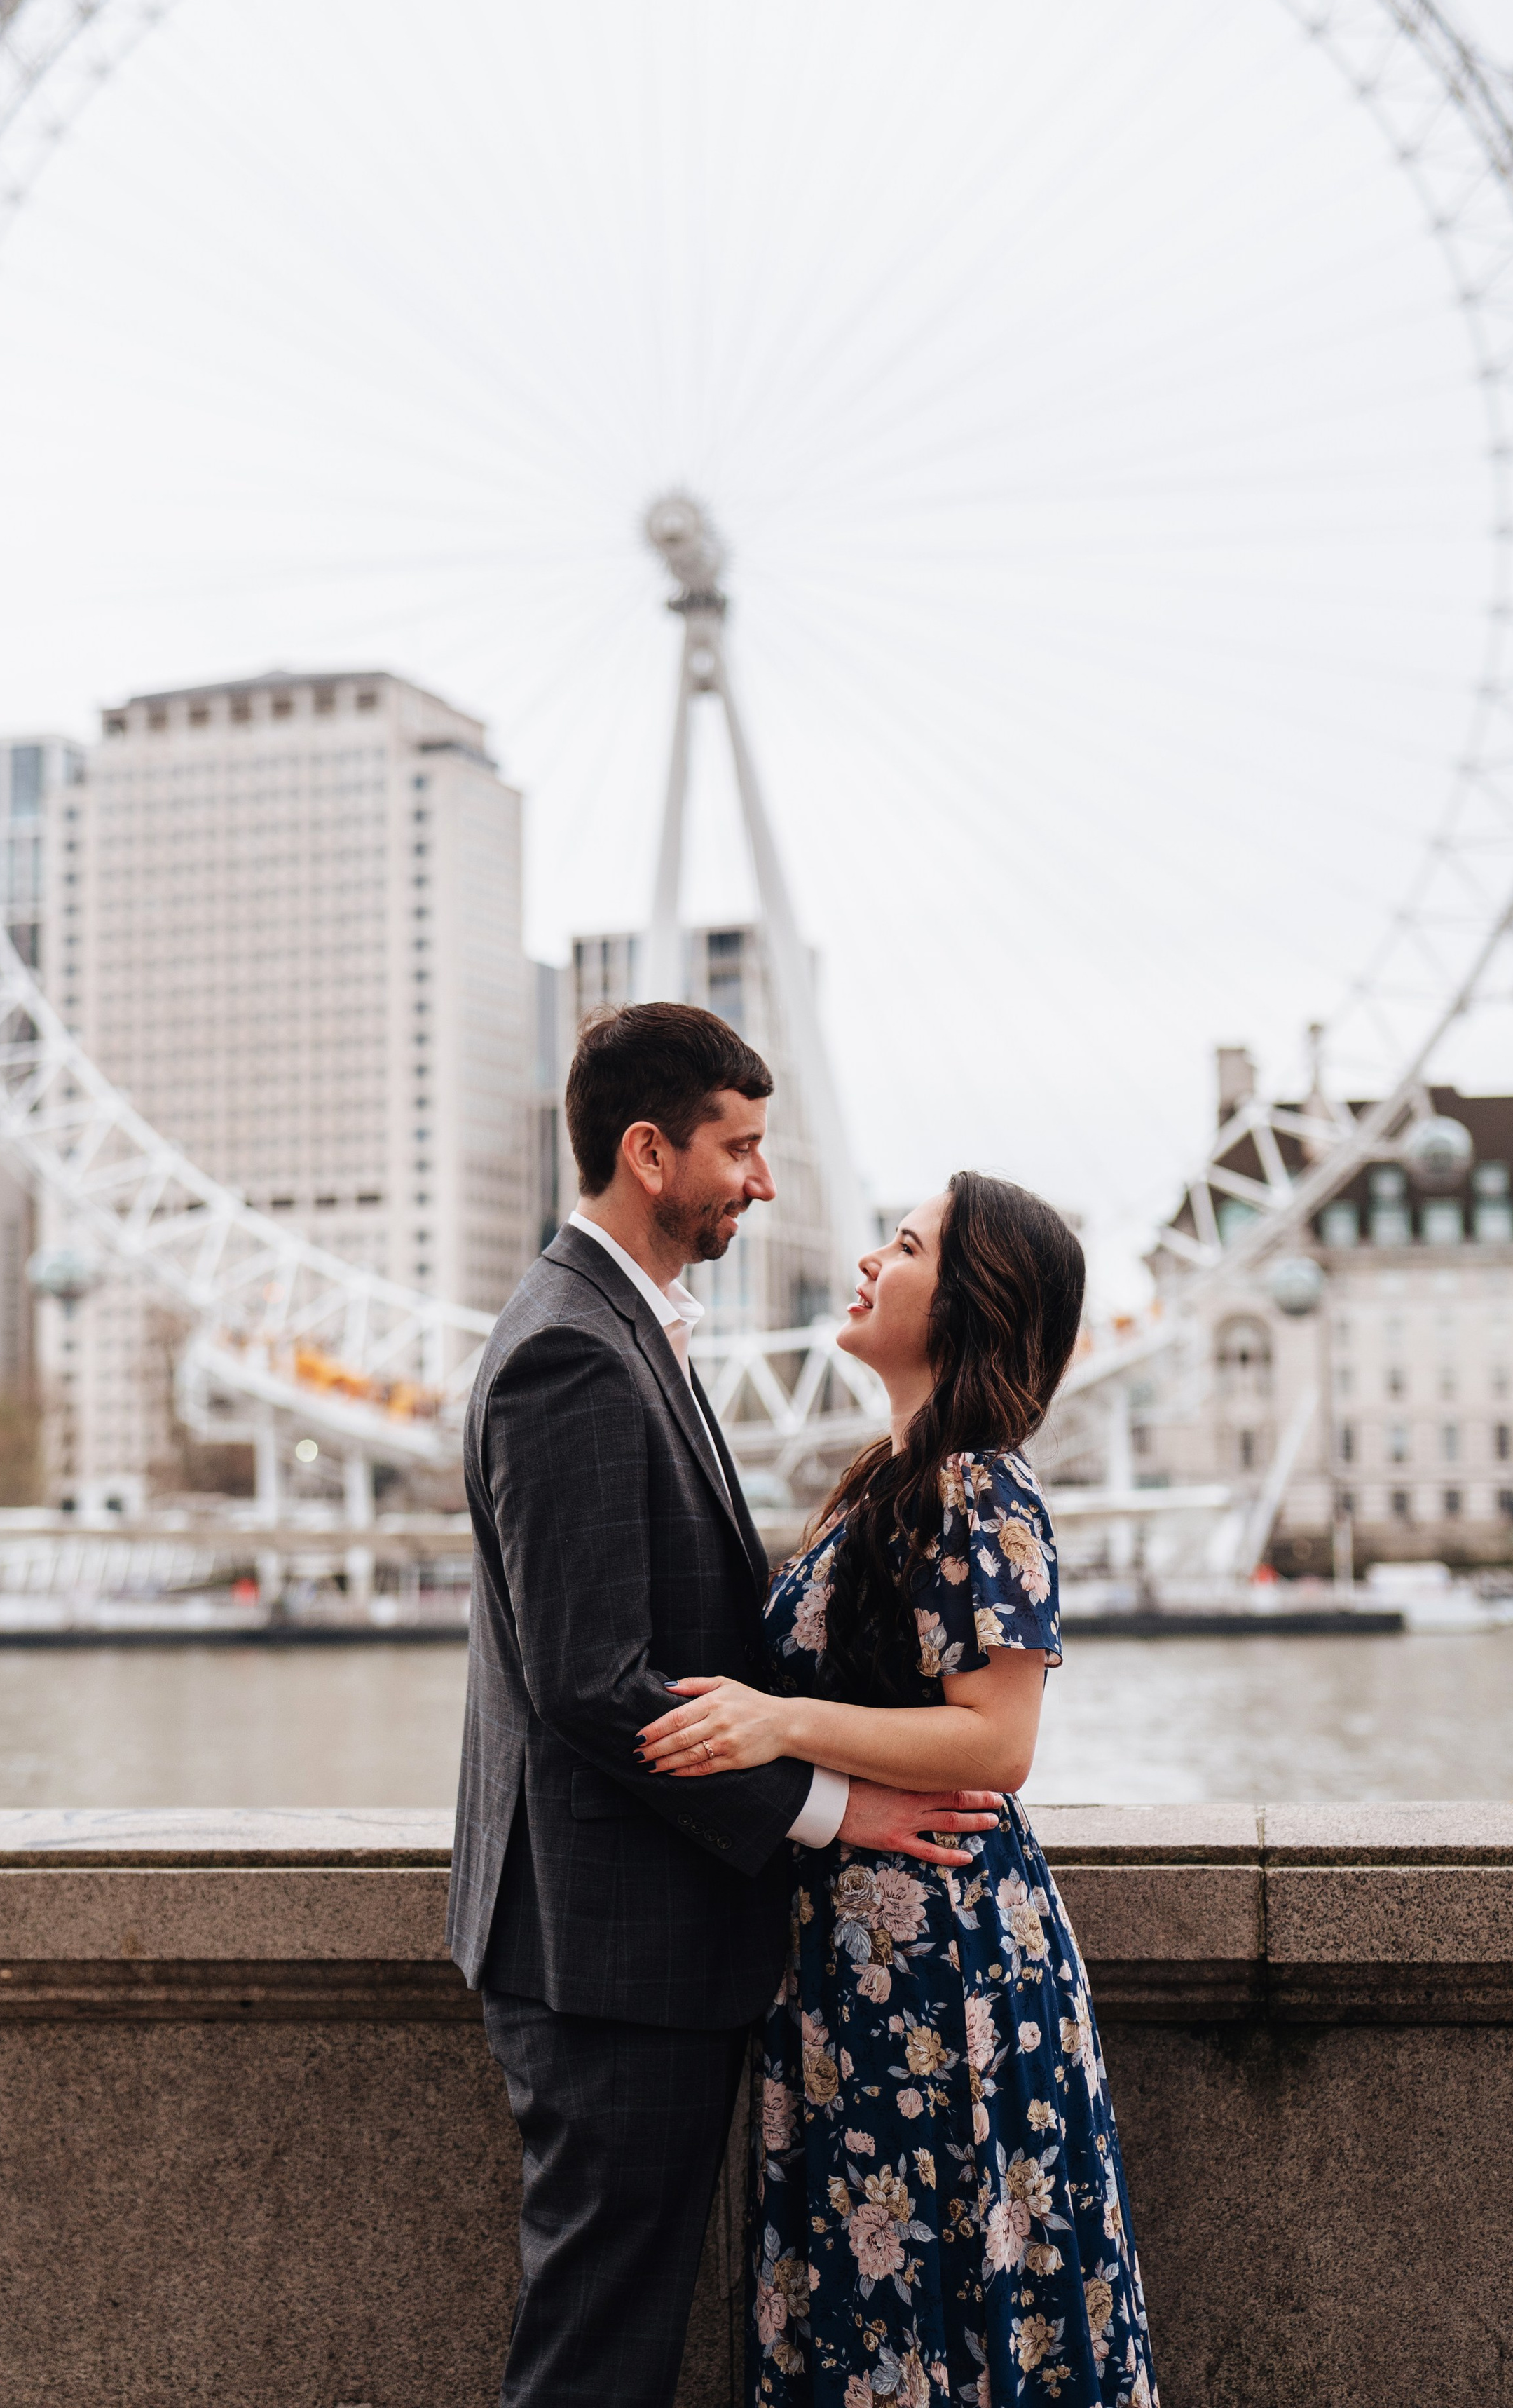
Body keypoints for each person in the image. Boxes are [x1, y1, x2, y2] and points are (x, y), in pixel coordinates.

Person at [448, 1004, 1000, 2408]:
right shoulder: (572, 1352)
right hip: (604, 1953)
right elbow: (590, 1677)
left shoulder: (617, 1330)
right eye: (738, 1148)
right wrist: (830, 1805)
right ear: (648, 1152)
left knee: (616, 2328)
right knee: (599, 2349)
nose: (760, 1181)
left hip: (626, 1937)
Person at [637, 1171, 1159, 2408]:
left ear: (967, 1301)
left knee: (936, 2303)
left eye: (910, 1243)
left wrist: (779, 1723)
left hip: (944, 1971)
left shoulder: (985, 1485)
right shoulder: (889, 1479)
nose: (873, 1256)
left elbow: (997, 1744)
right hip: (858, 1964)